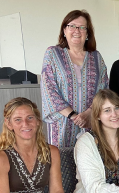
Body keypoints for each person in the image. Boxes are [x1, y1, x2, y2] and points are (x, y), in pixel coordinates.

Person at [41, 9, 109, 148]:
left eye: (82, 27)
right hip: (62, 123)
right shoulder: (53, 54)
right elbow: (49, 89)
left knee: (89, 163)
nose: (77, 30)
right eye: (72, 26)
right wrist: (72, 115)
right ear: (64, 31)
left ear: (88, 33)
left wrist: (89, 113)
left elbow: (104, 89)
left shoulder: (96, 58)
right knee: (61, 165)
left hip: (90, 123)